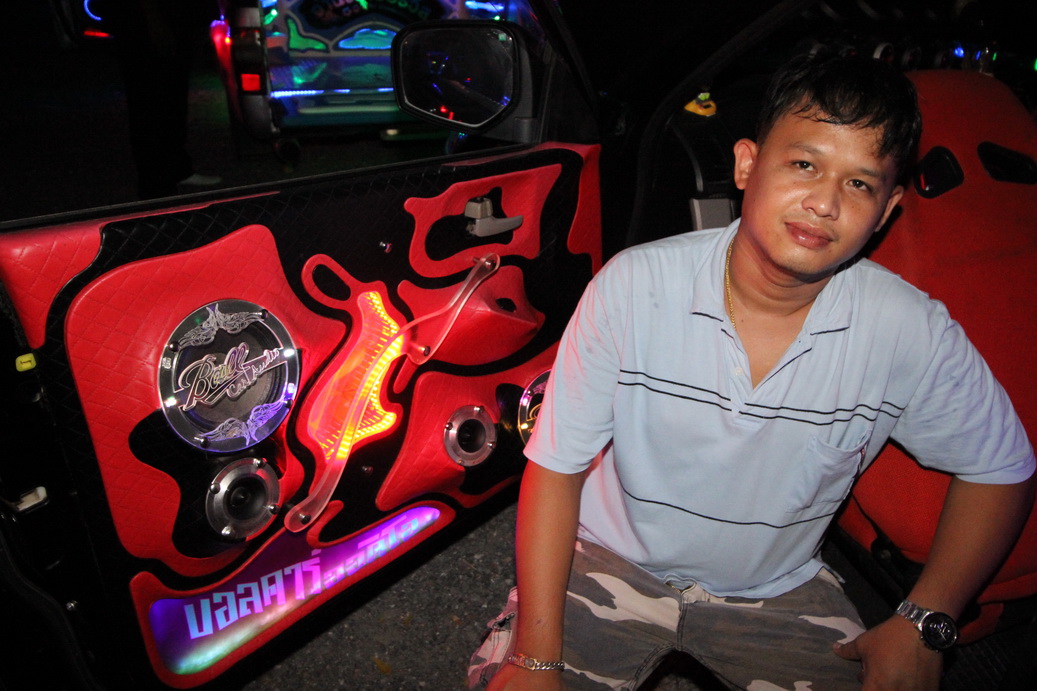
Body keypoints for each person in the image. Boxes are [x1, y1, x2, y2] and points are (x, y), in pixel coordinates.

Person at [469, 52, 1036, 690]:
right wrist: (536, 657)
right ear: (747, 164)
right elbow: (556, 466)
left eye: (859, 184)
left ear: (887, 210)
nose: (824, 202)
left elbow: (1003, 470)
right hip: (606, 558)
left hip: (777, 590)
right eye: (804, 164)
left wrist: (924, 620)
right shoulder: (634, 286)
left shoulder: (909, 331)